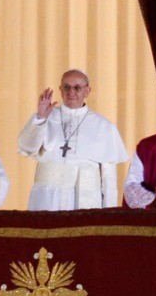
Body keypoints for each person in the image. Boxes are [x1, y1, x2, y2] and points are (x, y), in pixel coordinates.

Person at [17, 69, 129, 210]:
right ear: (60, 89)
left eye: (77, 87)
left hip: (84, 197)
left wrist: (109, 213)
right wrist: (40, 118)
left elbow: (109, 178)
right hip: (47, 198)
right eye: (66, 87)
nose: (71, 92)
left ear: (87, 91)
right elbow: (27, 147)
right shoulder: (45, 117)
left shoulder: (104, 126)